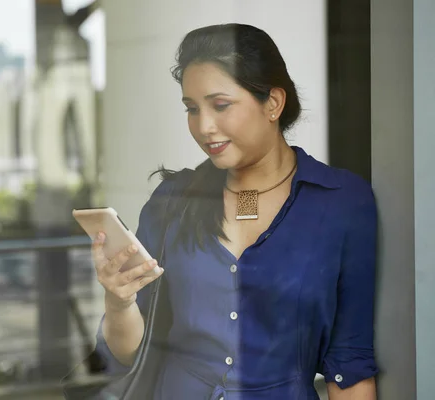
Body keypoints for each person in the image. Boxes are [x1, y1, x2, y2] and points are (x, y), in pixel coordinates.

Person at [92, 23, 378, 399]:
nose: (204, 126)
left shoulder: (342, 202)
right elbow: (128, 353)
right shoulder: (172, 203)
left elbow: (350, 365)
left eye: (220, 105)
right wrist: (119, 301)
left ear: (273, 103)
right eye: (192, 109)